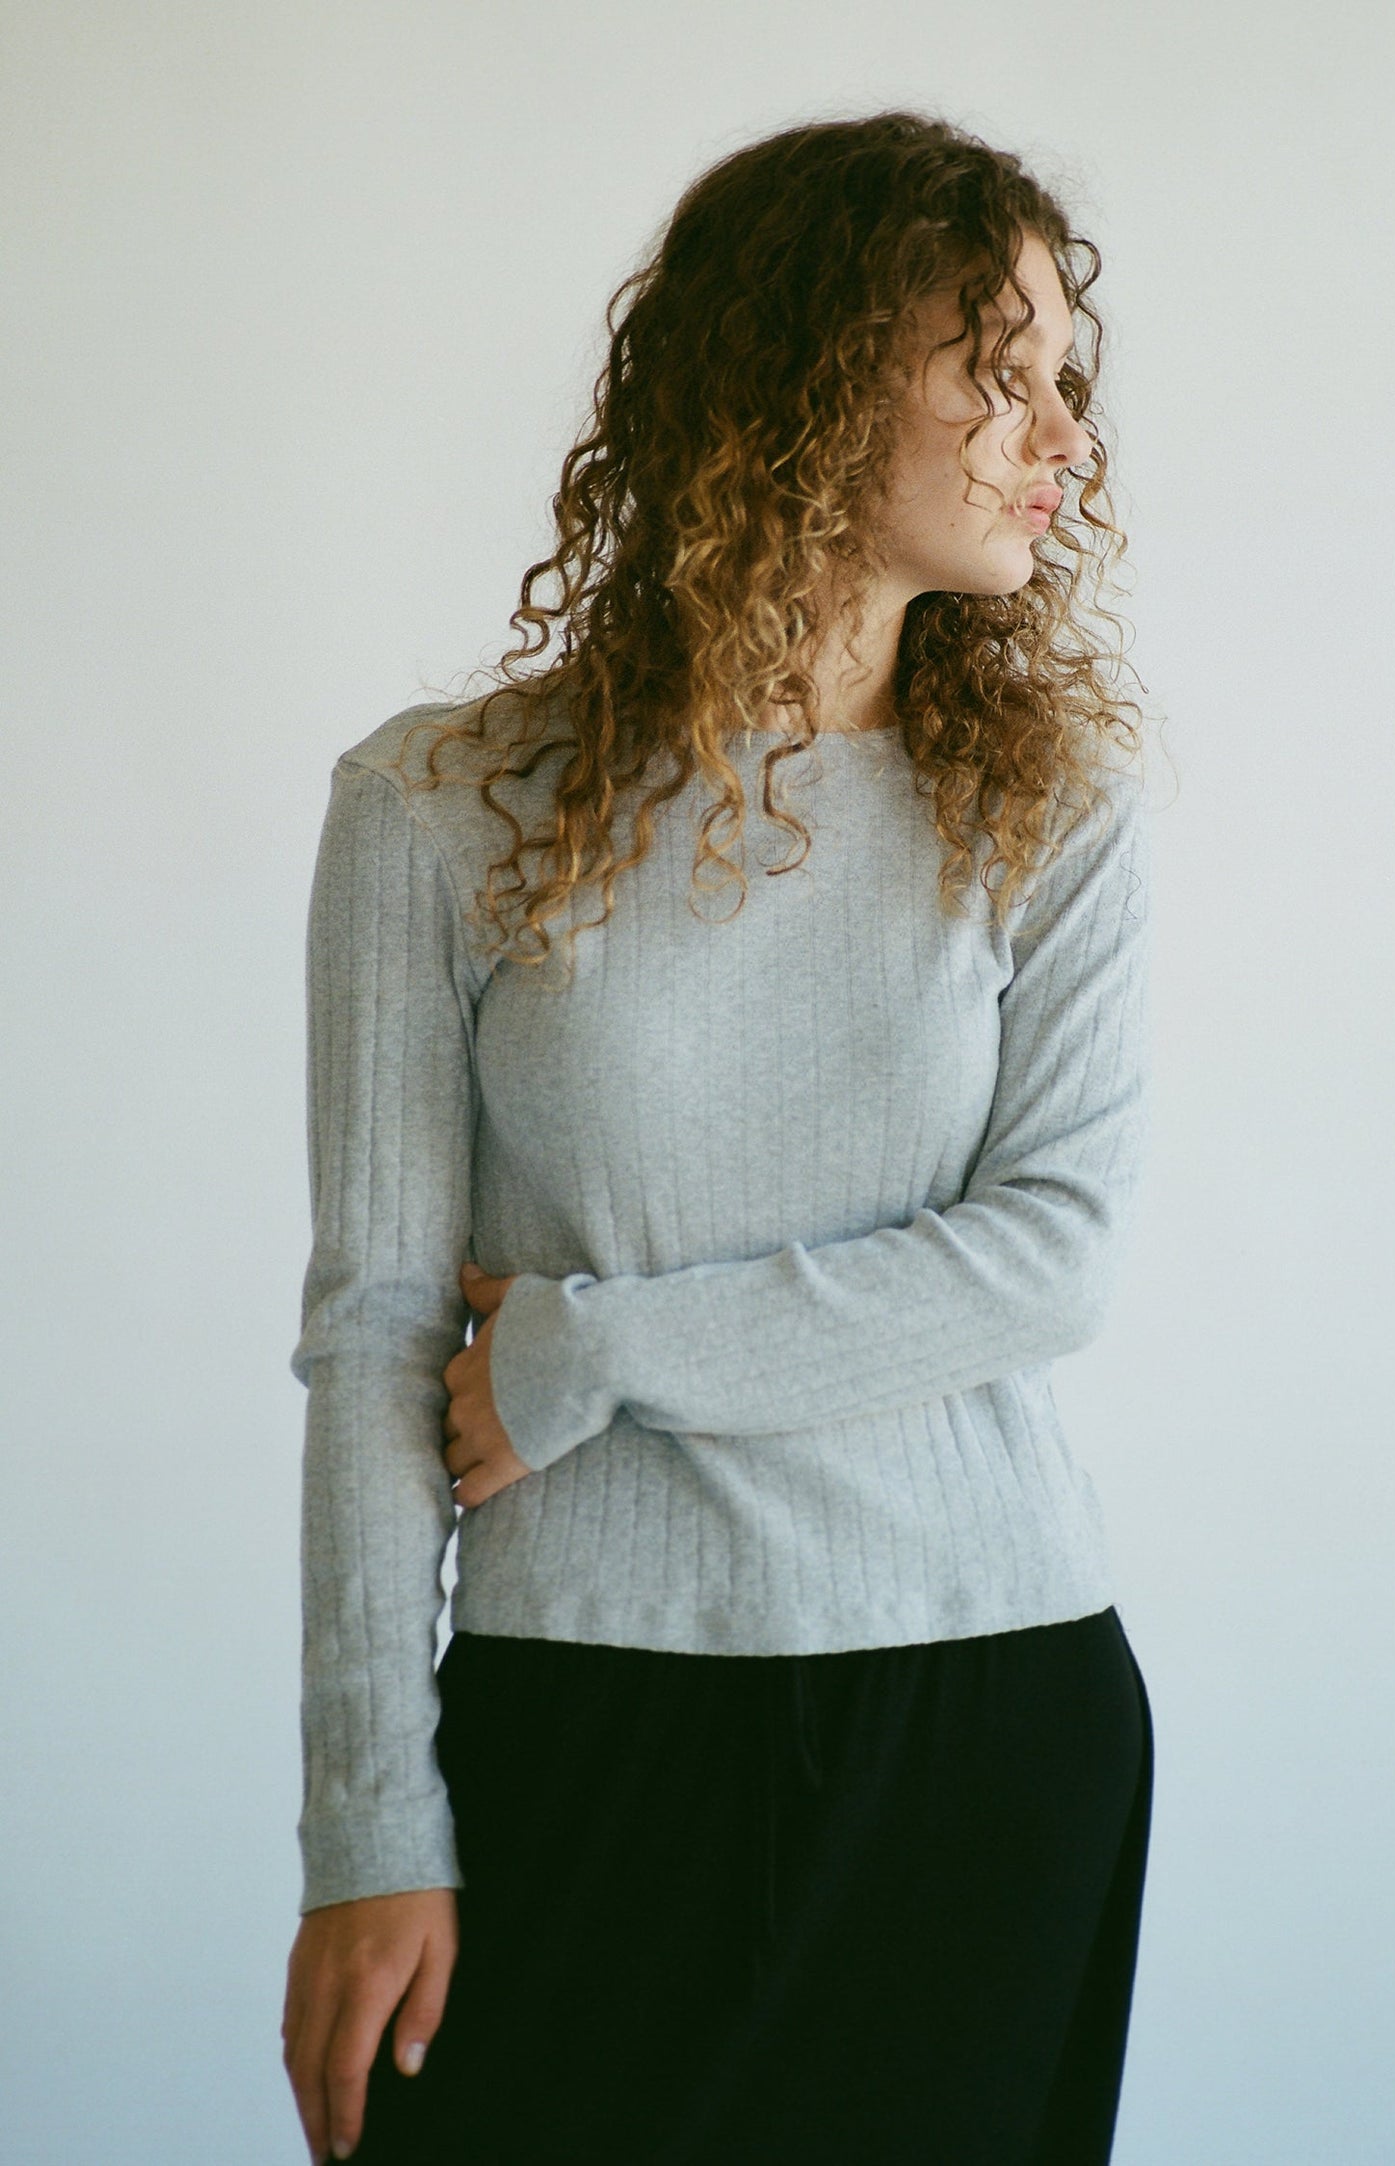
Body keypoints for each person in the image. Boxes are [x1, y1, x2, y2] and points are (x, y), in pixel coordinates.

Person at [280, 108, 1157, 2166]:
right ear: (818, 376)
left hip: (988, 1713)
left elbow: (1057, 1256)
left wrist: (601, 1348)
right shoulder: (438, 809)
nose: (1065, 436)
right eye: (1002, 369)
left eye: (1067, 379)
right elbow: (377, 1333)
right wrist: (366, 1823)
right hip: (586, 1722)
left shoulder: (1053, 807)